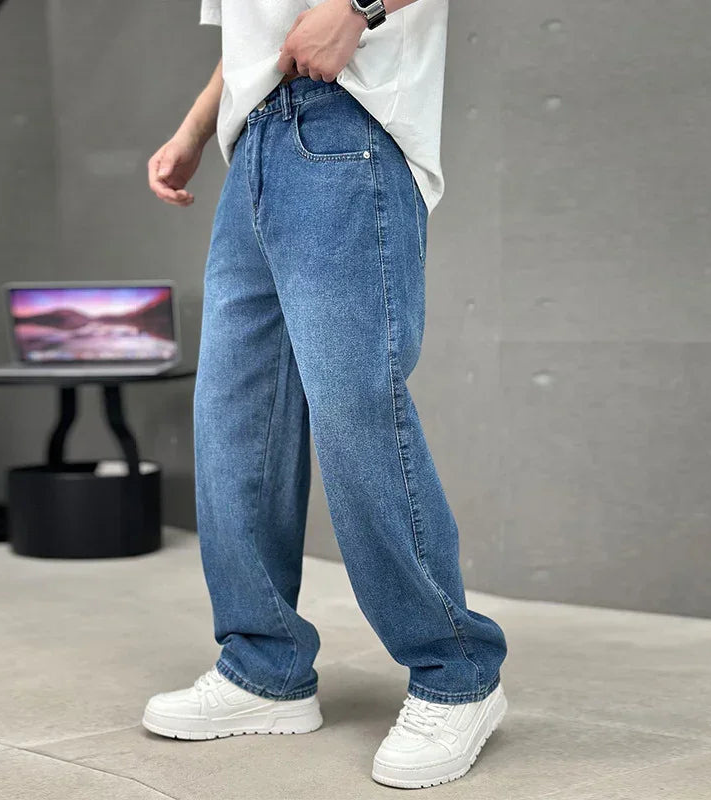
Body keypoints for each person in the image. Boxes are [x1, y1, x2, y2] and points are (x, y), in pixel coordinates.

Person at [142, 0, 508, 789]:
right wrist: (194, 131)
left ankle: (458, 670)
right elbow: (258, 30)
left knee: (354, 411)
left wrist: (359, 7)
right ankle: (263, 664)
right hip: (254, 150)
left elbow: (317, 25)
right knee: (235, 422)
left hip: (348, 124)